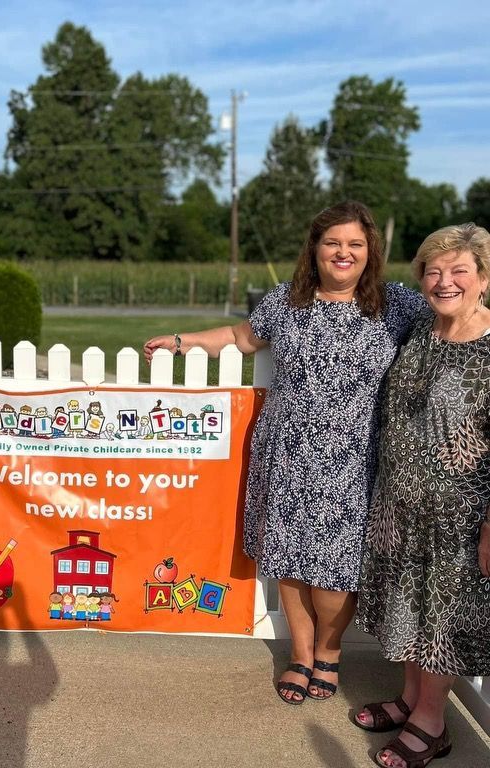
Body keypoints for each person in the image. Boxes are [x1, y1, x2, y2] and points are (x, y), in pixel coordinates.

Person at [143, 201, 425, 705]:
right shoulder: (288, 301)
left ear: (370, 252)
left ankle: (329, 652)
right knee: (290, 557)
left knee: (337, 564)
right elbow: (239, 337)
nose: (343, 252)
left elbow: (454, 314)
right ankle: (300, 654)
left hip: (356, 456)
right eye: (332, 242)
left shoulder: (397, 305)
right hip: (287, 449)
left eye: (355, 244)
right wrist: (182, 342)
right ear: (315, 249)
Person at [354, 223, 490, 768]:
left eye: (459, 270)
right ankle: (412, 700)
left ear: (483, 278)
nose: (444, 281)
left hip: (458, 518)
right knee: (406, 611)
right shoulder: (422, 332)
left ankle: (432, 724)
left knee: (440, 619)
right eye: (433, 271)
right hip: (399, 505)